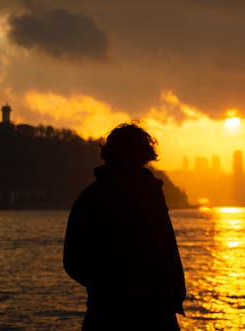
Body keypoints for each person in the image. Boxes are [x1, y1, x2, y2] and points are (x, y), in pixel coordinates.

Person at [63, 123, 186, 330]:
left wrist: (105, 287)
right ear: (144, 156)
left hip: (106, 312)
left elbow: (73, 261)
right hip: (154, 311)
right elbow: (168, 252)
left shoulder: (90, 197)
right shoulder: (150, 193)